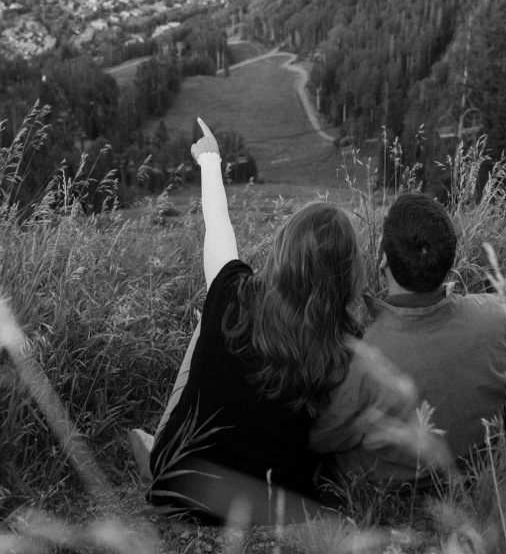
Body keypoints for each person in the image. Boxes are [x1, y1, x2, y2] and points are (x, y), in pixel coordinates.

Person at [129, 118, 364, 525]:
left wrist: (210, 160)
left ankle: (158, 456)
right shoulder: (345, 345)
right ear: (345, 275)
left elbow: (217, 227)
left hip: (179, 483)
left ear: (283, 252)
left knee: (213, 310)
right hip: (270, 503)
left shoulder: (235, 292)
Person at [310, 192, 506, 484]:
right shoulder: (495, 314)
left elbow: (322, 439)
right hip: (477, 469)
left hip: (391, 484)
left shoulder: (365, 356)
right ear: (449, 259)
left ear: (382, 260)